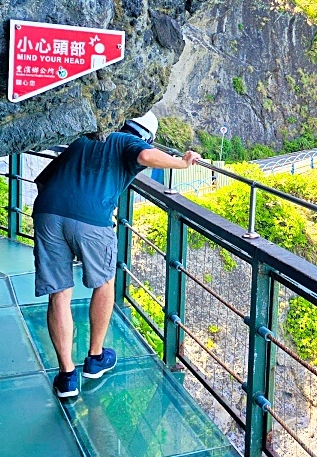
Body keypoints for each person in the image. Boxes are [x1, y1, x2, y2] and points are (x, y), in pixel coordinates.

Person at [33, 114, 200, 398]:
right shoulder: (128, 142)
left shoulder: (84, 138)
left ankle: (66, 377)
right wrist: (182, 163)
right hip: (92, 218)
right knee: (104, 283)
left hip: (48, 212)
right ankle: (95, 358)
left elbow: (43, 181)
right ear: (146, 134)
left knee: (59, 292)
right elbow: (146, 155)